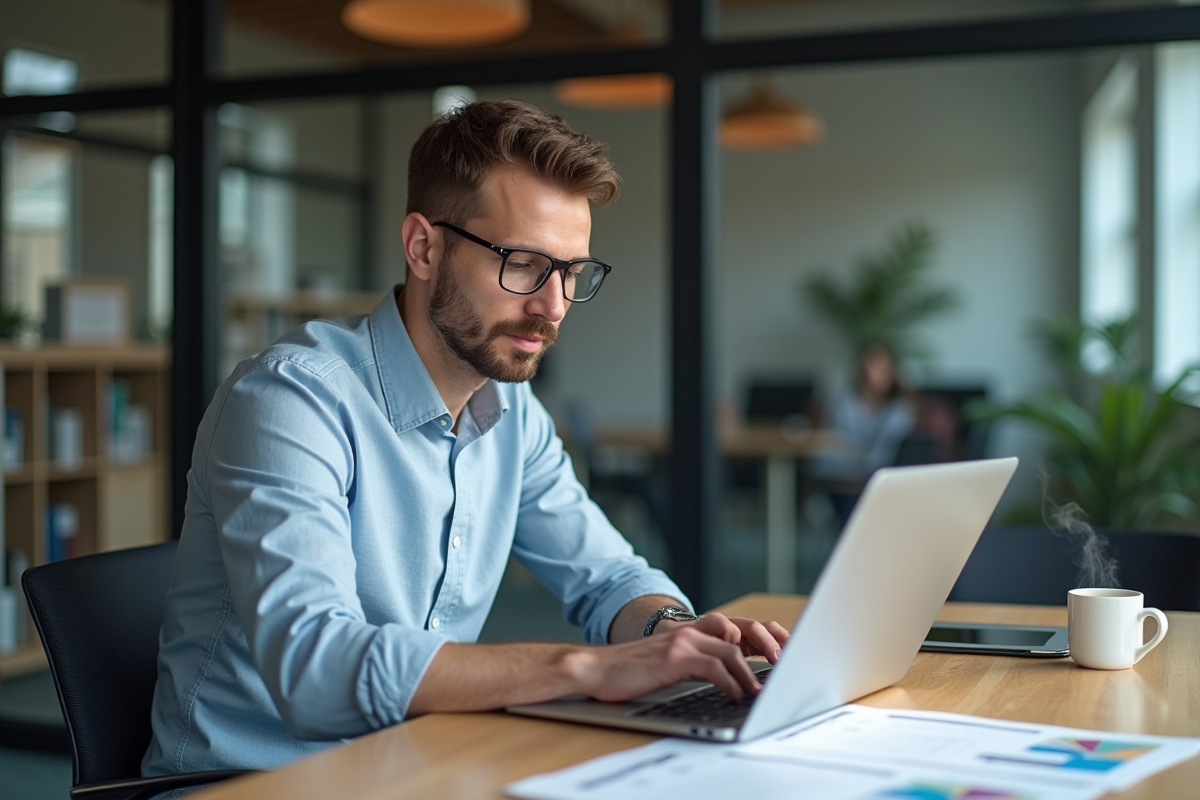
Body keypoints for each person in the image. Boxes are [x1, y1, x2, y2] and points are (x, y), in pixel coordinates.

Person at [142, 99, 788, 779]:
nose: (553, 306)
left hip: (414, 766)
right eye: (523, 263)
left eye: (571, 272)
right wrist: (588, 667)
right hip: (254, 784)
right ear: (423, 247)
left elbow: (608, 577)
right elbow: (317, 670)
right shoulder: (289, 401)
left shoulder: (513, 411)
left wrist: (671, 631)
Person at [810, 344, 916, 522]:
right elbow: (834, 442)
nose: (878, 375)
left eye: (884, 369)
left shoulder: (899, 409)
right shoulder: (843, 402)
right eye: (874, 368)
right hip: (841, 474)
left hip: (882, 476)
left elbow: (894, 448)